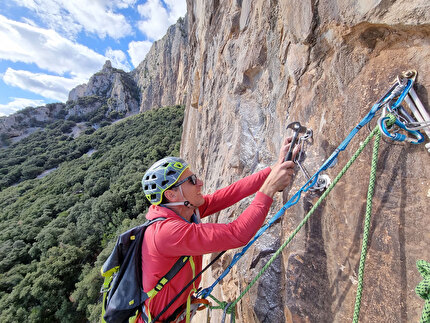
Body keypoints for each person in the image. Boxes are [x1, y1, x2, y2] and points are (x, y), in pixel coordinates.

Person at [139, 138, 298, 323]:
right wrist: (269, 187)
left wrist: (274, 169)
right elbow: (237, 234)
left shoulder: (181, 209)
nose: (200, 182)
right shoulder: (166, 234)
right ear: (171, 194)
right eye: (191, 180)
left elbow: (228, 194)